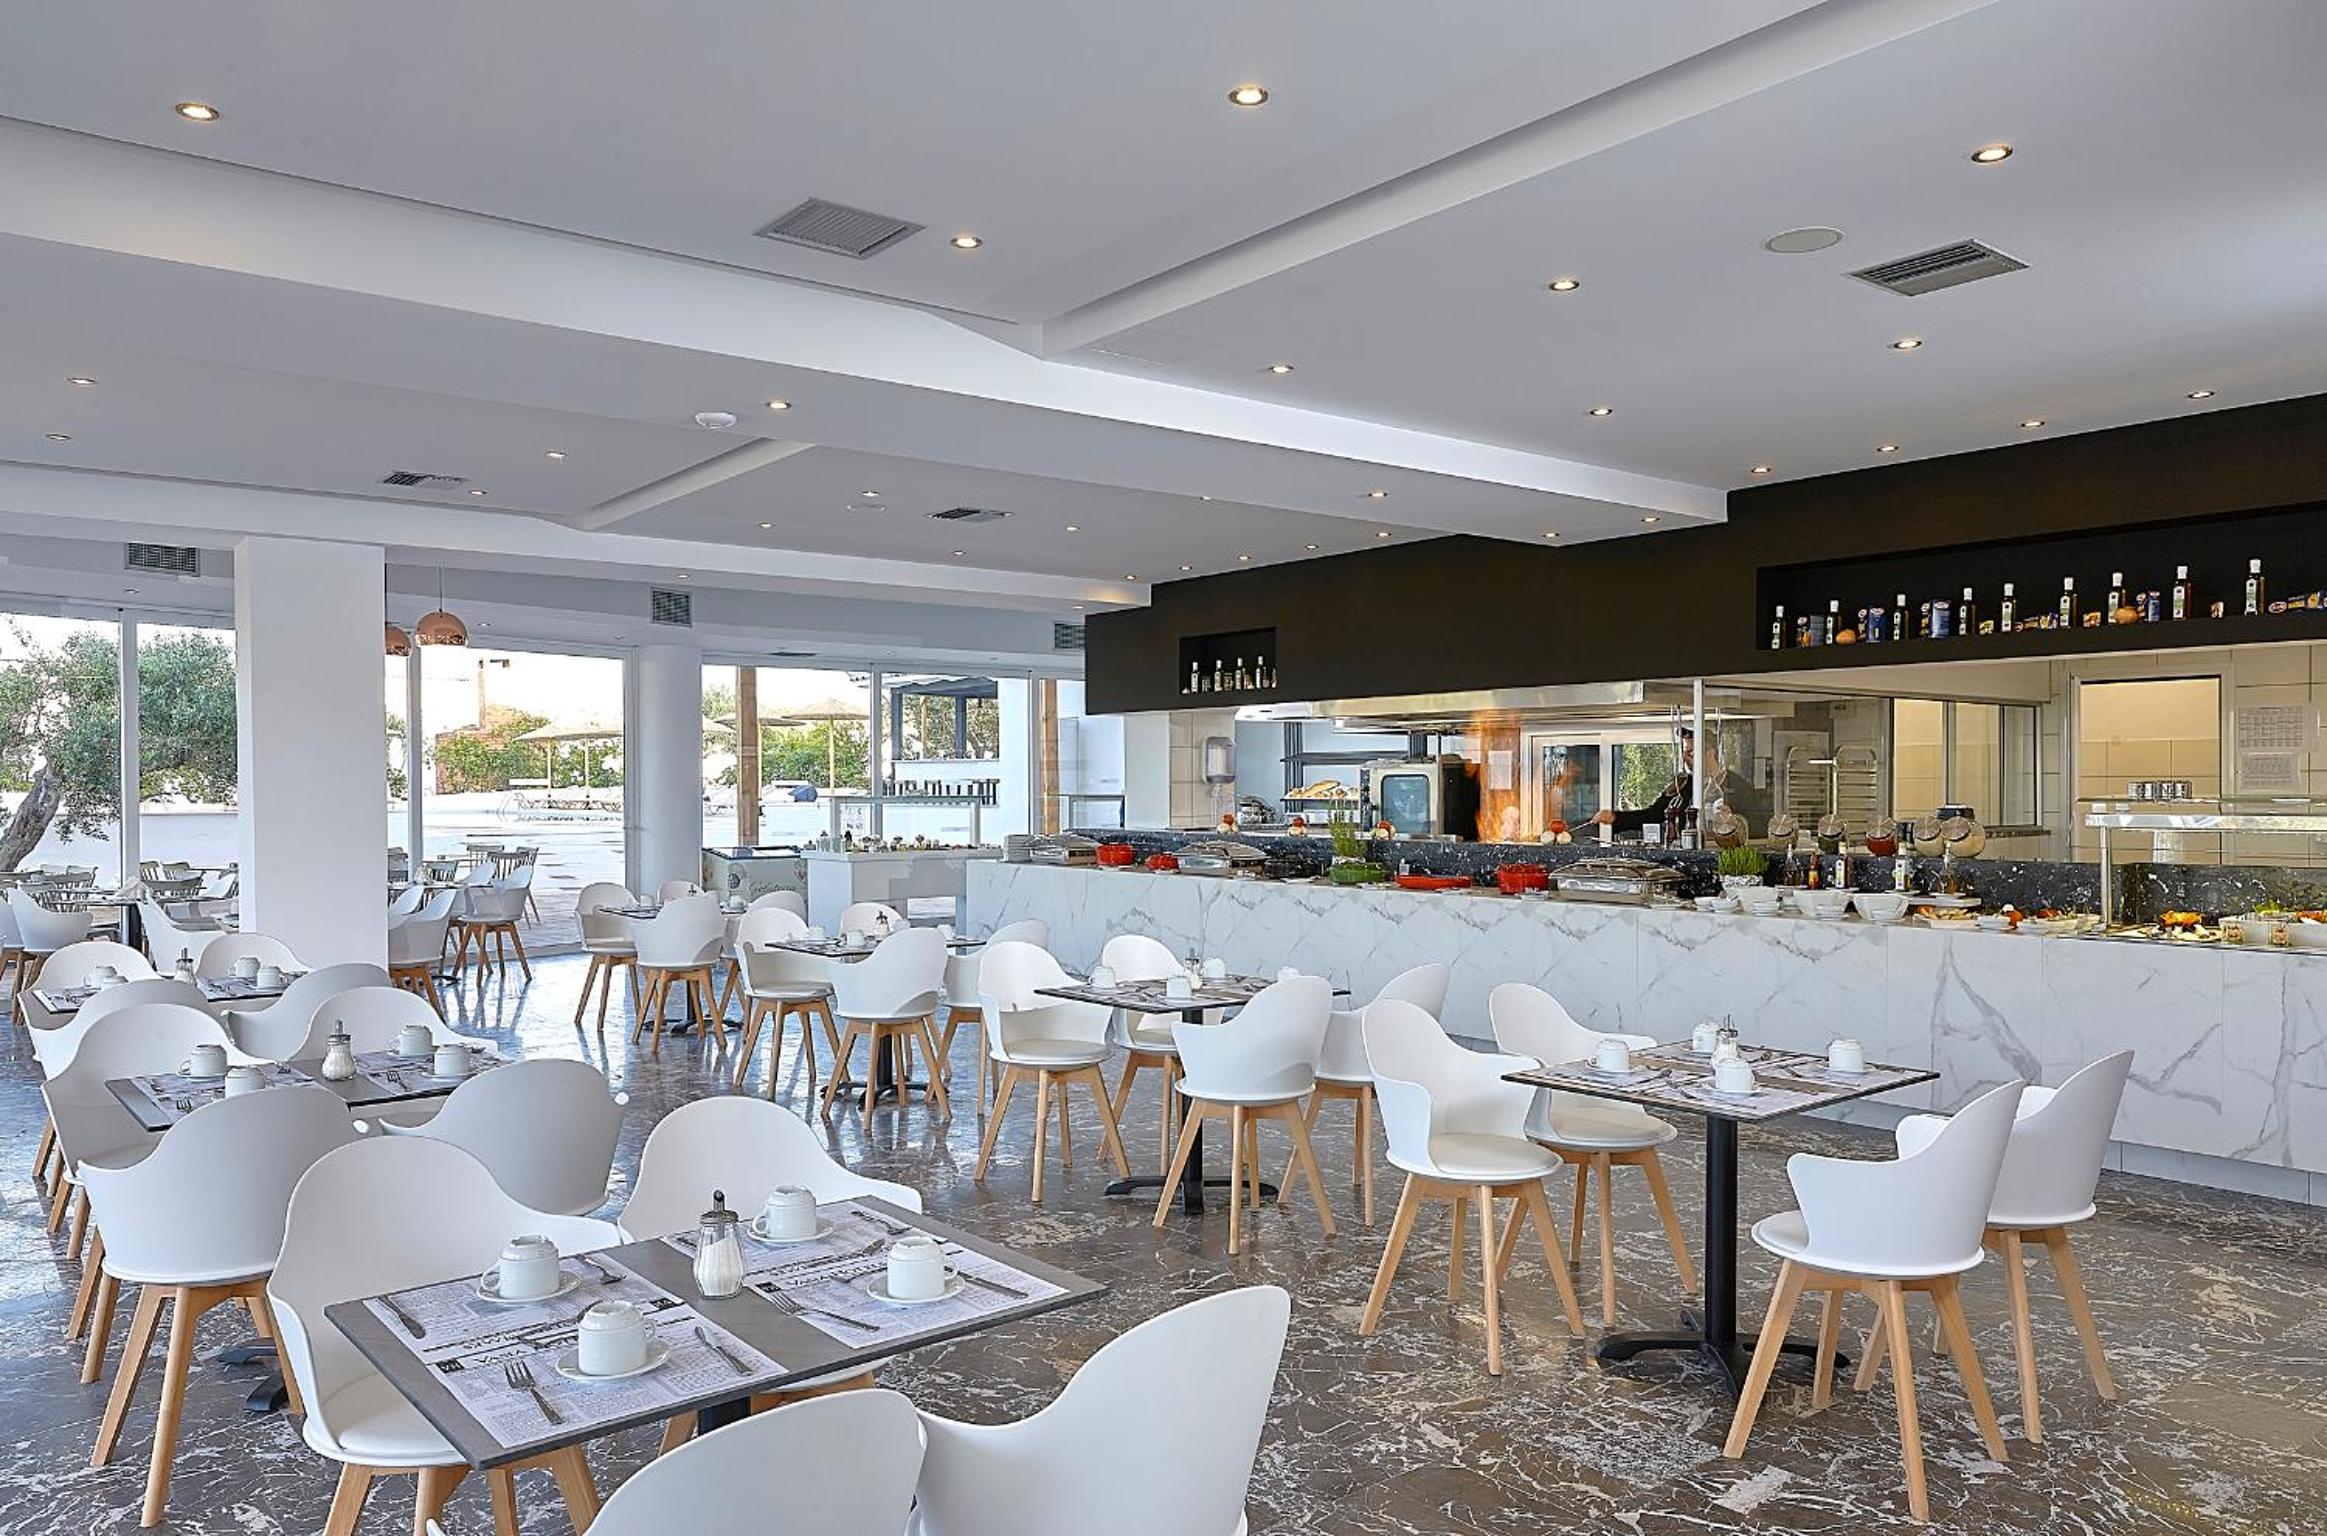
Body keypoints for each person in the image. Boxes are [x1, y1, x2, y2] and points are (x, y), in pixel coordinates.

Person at [1593, 729, 1768, 838]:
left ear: (1710, 753)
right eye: (1684, 754)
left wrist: (1735, 820)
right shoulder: (1682, 784)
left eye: (1691, 753)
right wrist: (1616, 818)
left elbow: (1760, 828)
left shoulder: (1738, 787)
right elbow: (1654, 814)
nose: (1685, 759)